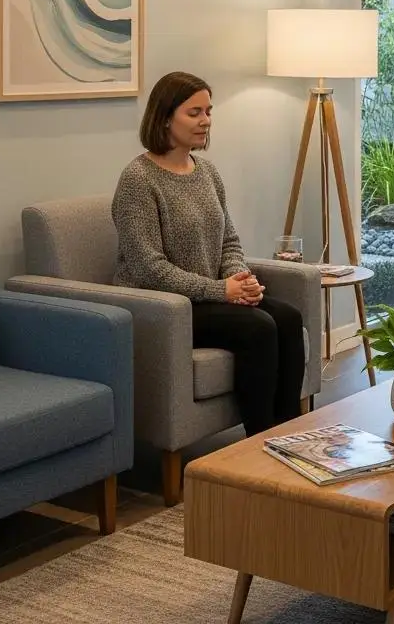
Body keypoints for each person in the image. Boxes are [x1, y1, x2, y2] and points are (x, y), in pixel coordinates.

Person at [112, 71, 305, 435]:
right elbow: (148, 268)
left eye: (209, 111)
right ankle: (259, 444)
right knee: (259, 327)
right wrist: (221, 290)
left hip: (209, 297)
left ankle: (290, 435)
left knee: (289, 317)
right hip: (163, 307)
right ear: (165, 117)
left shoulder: (207, 172)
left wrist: (240, 278)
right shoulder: (138, 180)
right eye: (194, 112)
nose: (206, 121)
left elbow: (229, 240)